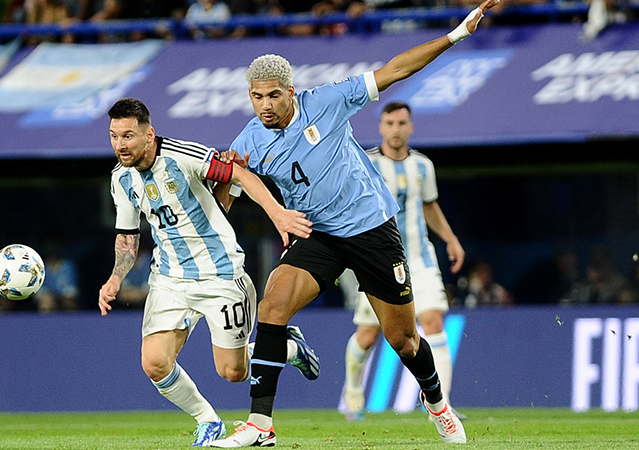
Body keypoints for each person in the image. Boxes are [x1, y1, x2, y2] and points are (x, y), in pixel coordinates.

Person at [210, 1, 499, 446]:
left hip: (371, 230)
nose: (265, 105)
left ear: (291, 90)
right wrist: (226, 182)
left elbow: (395, 69)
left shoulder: (327, 101)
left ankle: (438, 405)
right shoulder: (248, 139)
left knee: (402, 339)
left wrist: (456, 35)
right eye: (256, 96)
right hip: (319, 234)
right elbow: (225, 197)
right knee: (272, 307)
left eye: (273, 95)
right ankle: (260, 425)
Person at [97, 98, 318, 447]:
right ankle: (207, 419)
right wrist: (115, 278)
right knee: (154, 363)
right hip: (170, 279)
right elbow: (128, 235)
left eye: (128, 136)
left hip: (221, 275)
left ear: (149, 134)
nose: (120, 145)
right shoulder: (121, 179)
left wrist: (277, 214)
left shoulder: (183, 157)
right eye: (113, 136)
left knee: (233, 372)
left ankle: (288, 348)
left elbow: (239, 174)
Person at [339, 101, 465, 421]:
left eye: (401, 123)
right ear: (381, 127)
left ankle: (441, 405)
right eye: (390, 123)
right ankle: (353, 392)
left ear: (411, 127)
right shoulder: (365, 163)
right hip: (378, 263)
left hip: (420, 259)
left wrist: (450, 239)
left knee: (434, 321)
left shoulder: (423, 166)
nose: (396, 130)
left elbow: (430, 206)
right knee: (367, 337)